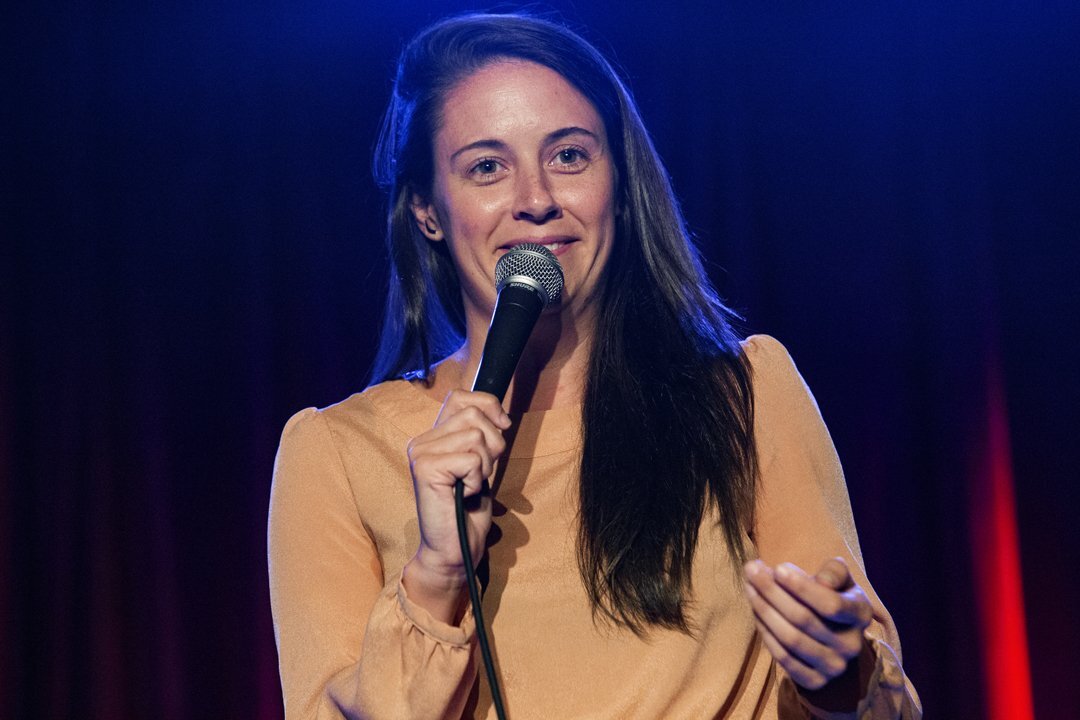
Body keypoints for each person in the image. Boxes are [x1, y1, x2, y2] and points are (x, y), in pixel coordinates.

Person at [268, 12, 921, 720]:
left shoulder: (745, 393)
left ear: (620, 179)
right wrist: (436, 572)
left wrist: (836, 680)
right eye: (487, 167)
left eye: (570, 156)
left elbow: (874, 693)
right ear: (427, 208)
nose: (536, 199)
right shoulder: (336, 453)